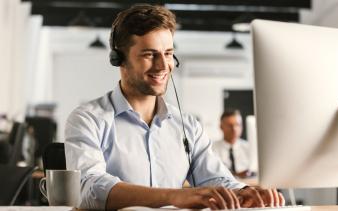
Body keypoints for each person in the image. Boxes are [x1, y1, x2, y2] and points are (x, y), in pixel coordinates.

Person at [64, 4, 284, 210]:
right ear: (118, 59)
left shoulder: (187, 125)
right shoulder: (87, 119)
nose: (163, 66)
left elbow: (215, 178)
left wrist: (244, 192)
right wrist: (175, 197)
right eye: (150, 55)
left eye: (168, 54)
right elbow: (90, 188)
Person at [212, 110, 254, 178]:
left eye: (237, 125)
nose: (234, 129)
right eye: (229, 125)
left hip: (248, 185)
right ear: (221, 127)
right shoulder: (212, 149)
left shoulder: (249, 148)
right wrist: (236, 175)